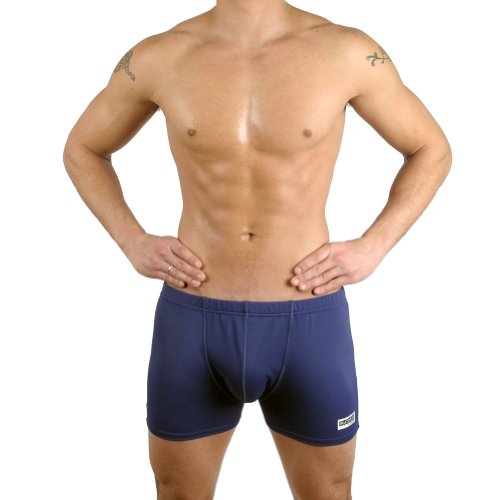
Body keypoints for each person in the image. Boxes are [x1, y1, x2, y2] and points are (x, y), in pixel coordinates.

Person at [63, 0, 452, 498]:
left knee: (329, 492)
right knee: (176, 492)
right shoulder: (162, 54)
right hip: (193, 319)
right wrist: (132, 241)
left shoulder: (347, 51)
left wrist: (373, 247)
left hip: (309, 319)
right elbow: (83, 148)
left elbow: (431, 149)